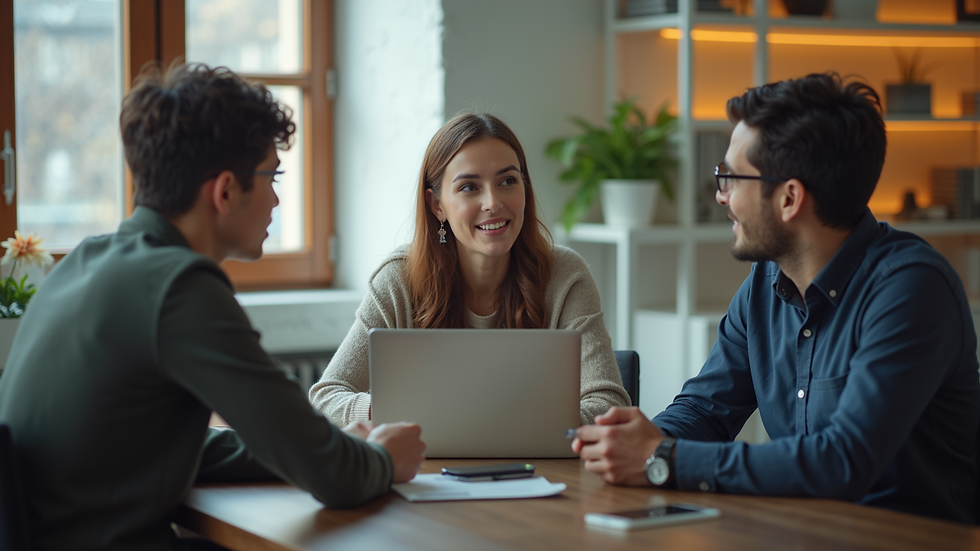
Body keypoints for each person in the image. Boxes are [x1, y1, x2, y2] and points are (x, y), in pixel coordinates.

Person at [0, 63, 425, 551]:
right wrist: (383, 459)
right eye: (272, 176)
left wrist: (333, 447)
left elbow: (147, 447)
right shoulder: (181, 288)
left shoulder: (86, 260)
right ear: (225, 190)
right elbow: (332, 476)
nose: (276, 200)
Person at [572, 72, 980, 524]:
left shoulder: (911, 289)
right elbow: (706, 411)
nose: (720, 195)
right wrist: (637, 442)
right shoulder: (765, 283)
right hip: (802, 532)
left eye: (730, 177)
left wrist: (664, 457)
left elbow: (843, 461)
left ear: (789, 198)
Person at [309, 113, 630, 426]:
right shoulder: (399, 279)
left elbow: (609, 406)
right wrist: (393, 410)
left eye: (508, 181)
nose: (493, 202)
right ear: (437, 205)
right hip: (425, 475)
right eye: (469, 187)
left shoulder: (564, 274)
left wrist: (482, 419)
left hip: (540, 475)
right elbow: (326, 398)